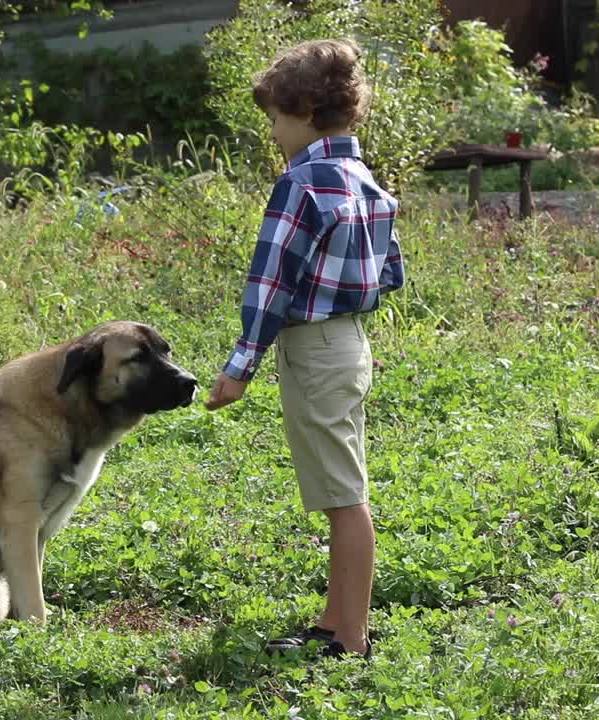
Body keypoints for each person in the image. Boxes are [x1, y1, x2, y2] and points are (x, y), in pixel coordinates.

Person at [203, 38, 405, 659]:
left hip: (314, 349)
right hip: (349, 342)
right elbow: (391, 272)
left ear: (307, 112)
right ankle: (333, 620)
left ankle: (349, 639)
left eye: (274, 117)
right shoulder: (363, 179)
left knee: (343, 499)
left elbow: (270, 284)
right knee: (339, 488)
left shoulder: (301, 183)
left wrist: (239, 368)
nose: (272, 131)